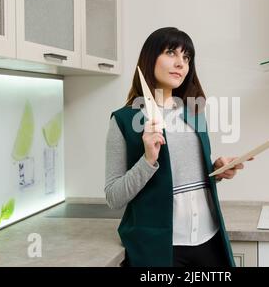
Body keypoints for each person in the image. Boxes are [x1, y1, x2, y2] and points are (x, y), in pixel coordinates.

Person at [104, 27, 249, 267]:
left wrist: (217, 170)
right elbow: (113, 197)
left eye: (186, 57)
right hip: (161, 249)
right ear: (150, 58)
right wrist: (148, 160)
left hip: (210, 241)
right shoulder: (123, 121)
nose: (181, 63)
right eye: (171, 52)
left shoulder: (195, 112)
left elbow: (190, 176)